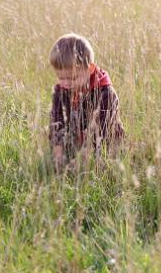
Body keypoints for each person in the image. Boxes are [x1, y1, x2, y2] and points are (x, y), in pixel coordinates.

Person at [48, 33, 125, 173]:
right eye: (61, 78)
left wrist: (82, 159)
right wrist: (57, 155)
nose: (66, 83)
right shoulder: (61, 90)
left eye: (72, 78)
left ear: (90, 69)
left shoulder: (105, 94)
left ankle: (100, 167)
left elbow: (101, 130)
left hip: (103, 142)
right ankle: (67, 155)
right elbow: (57, 120)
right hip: (76, 138)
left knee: (103, 162)